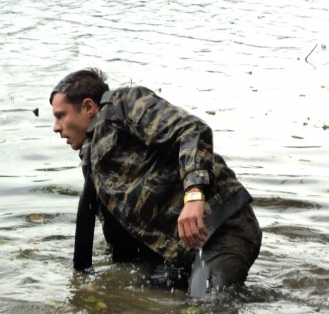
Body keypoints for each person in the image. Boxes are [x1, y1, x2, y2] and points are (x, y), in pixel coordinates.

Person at [50, 68, 261, 292]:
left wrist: (194, 196)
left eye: (61, 115)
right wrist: (84, 286)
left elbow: (192, 130)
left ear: (88, 107)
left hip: (222, 226)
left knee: (205, 313)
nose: (56, 127)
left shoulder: (124, 105)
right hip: (179, 250)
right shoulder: (93, 156)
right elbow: (111, 224)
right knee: (140, 303)